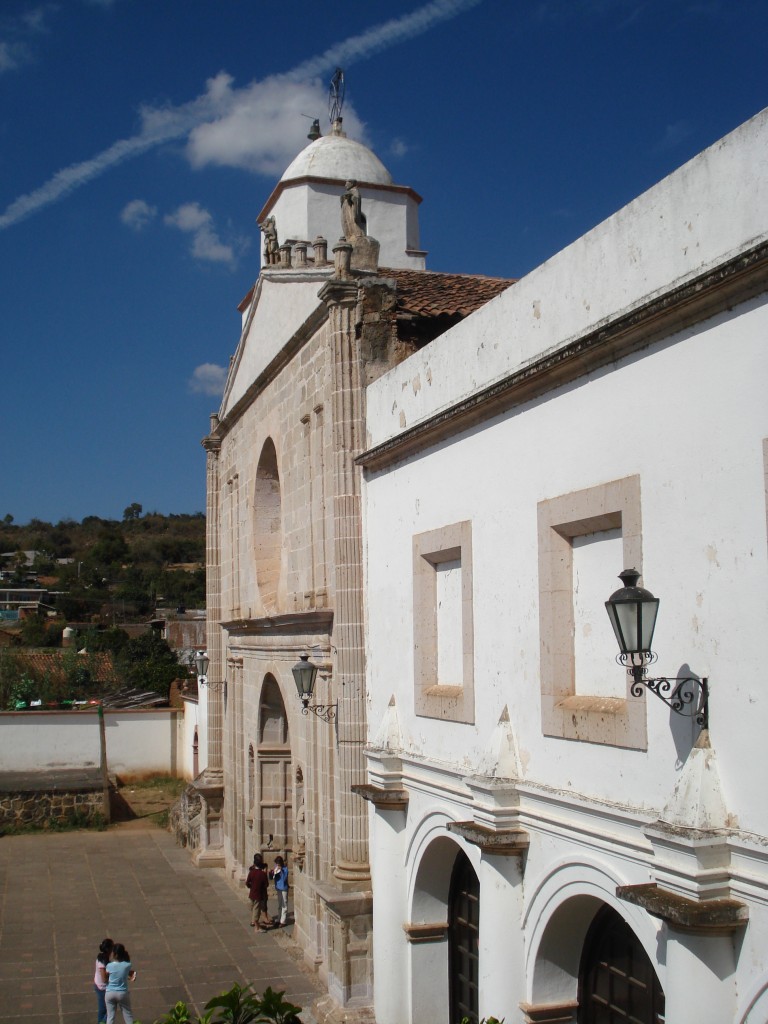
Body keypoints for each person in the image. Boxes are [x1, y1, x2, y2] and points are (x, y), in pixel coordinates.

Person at [104, 943, 136, 1024]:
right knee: (128, 1016)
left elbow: (105, 978)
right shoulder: (127, 965)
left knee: (110, 1017)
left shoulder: (109, 965)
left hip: (110, 992)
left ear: (114, 954)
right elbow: (130, 972)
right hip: (122, 993)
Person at [245, 854, 271, 930]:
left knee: (253, 908)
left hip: (252, 893)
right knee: (256, 909)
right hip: (259, 894)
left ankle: (254, 921)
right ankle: (255, 925)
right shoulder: (262, 874)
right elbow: (266, 884)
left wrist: (251, 886)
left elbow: (247, 883)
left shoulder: (251, 872)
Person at [93, 938, 113, 1024]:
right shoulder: (102, 961)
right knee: (107, 1009)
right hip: (102, 988)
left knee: (105, 1009)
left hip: (102, 986)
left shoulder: (104, 957)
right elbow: (104, 979)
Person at [269, 856, 289, 927]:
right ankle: (279, 918)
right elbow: (271, 877)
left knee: (284, 904)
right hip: (278, 888)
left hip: (283, 888)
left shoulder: (285, 869)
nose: (277, 865)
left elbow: (284, 879)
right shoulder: (276, 867)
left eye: (278, 864)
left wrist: (281, 871)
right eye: (276, 864)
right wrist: (272, 872)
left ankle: (283, 921)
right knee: (280, 904)